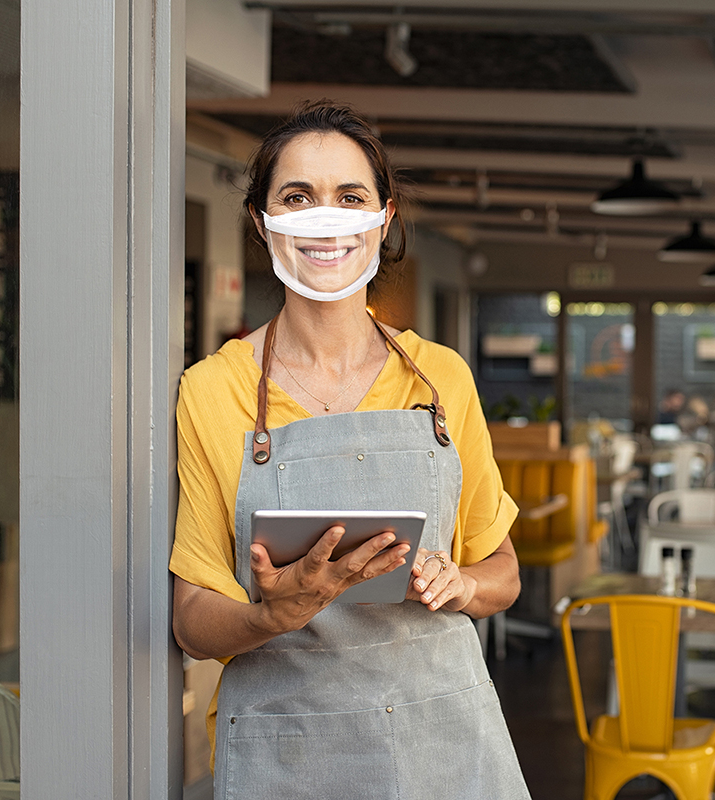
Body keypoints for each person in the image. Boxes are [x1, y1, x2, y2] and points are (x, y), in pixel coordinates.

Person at [169, 101, 530, 798]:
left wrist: (463, 584)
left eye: (350, 196)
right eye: (297, 196)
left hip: (442, 740)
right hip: (291, 750)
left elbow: (503, 570)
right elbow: (191, 621)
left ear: (383, 219)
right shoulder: (214, 391)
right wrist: (271, 614)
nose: (324, 218)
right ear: (261, 221)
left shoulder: (440, 379)